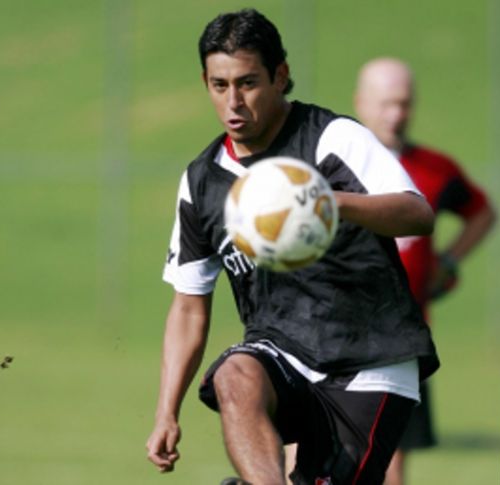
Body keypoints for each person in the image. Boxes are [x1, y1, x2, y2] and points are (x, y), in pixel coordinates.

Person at [145, 10, 441, 485]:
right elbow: (187, 308)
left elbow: (416, 213)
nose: (233, 102)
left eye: (248, 83)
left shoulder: (330, 138)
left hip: (370, 357)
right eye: (220, 85)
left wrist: (325, 202)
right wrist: (166, 411)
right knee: (234, 375)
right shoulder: (202, 182)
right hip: (282, 352)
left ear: (280, 76)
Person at [354, 58, 497, 484]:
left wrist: (448, 261)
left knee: (392, 460)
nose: (396, 114)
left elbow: (482, 213)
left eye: (404, 103)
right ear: (361, 102)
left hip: (404, 337)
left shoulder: (435, 169)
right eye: (386, 103)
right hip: (337, 331)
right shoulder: (335, 162)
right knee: (311, 449)